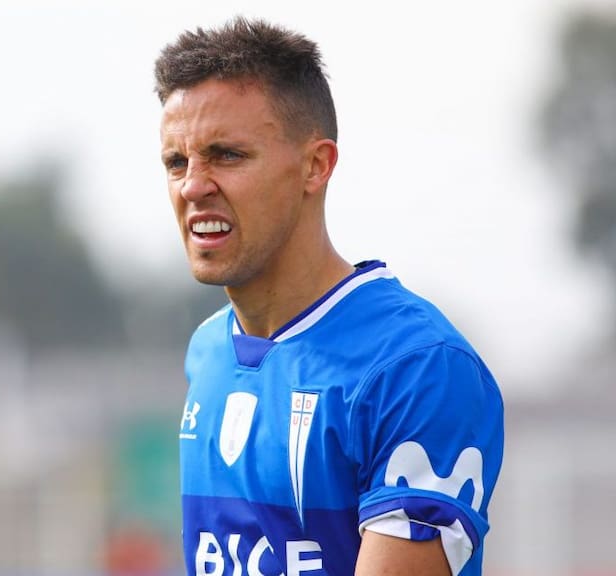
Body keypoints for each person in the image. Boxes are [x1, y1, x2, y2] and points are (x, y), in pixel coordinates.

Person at [154, 16, 503, 576]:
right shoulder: (208, 351)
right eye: (177, 162)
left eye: (227, 155)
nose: (193, 184)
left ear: (316, 166)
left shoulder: (418, 367)